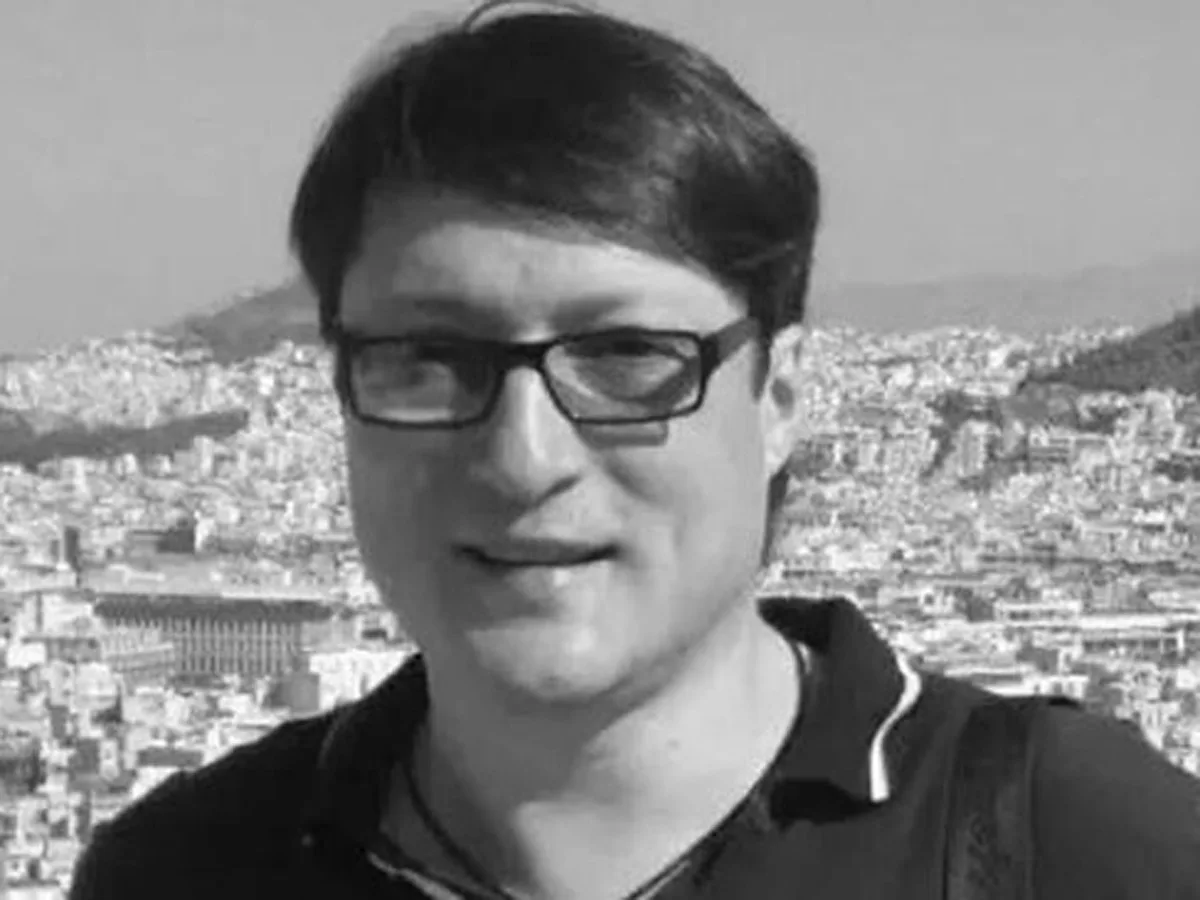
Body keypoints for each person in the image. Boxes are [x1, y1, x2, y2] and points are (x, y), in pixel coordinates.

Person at [71, 2, 1200, 898]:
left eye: (624, 356)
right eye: (430, 358)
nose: (524, 457)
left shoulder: (1070, 845)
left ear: (780, 399)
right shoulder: (185, 871)